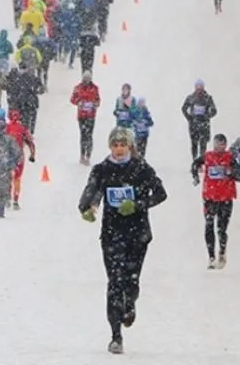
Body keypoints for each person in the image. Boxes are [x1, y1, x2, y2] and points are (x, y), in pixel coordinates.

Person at [78, 126, 168, 354]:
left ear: (130, 146)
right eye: (115, 145)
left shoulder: (141, 168)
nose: (118, 149)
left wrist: (137, 204)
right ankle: (116, 335)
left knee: (131, 281)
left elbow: (160, 194)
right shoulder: (102, 169)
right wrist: (87, 208)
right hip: (111, 233)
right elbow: (91, 191)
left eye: (122, 145)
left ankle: (130, 303)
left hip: (137, 233)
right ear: (110, 147)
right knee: (114, 283)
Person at [191, 134, 236, 269]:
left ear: (226, 145)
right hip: (210, 197)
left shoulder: (230, 157)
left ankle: (222, 250)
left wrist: (231, 173)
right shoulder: (208, 156)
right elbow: (195, 164)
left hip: (226, 198)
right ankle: (211, 257)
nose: (219, 147)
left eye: (222, 144)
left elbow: (239, 173)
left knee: (222, 229)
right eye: (217, 144)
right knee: (209, 225)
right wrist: (196, 176)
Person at [3, 109, 36, 209]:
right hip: (19, 155)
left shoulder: (6, 128)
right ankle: (15, 201)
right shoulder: (23, 129)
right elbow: (30, 143)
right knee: (17, 178)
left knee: (7, 177)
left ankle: (7, 198)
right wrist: (32, 155)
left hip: (8, 155)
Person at [180, 79, 217, 159]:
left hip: (204, 125)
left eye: (201, 86)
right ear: (195, 87)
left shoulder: (208, 98)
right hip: (194, 125)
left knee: (203, 144)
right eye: (197, 86)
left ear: (203, 87)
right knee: (194, 144)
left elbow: (214, 110)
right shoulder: (190, 97)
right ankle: (194, 160)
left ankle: (201, 161)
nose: (199, 88)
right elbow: (183, 108)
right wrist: (189, 118)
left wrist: (207, 116)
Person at [70, 71, 100, 165]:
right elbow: (72, 99)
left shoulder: (95, 88)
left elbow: (98, 100)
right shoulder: (78, 88)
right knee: (83, 135)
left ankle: (88, 156)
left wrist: (95, 104)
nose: (86, 80)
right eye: (84, 79)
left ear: (90, 79)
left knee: (89, 136)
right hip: (81, 116)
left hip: (91, 116)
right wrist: (79, 102)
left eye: (88, 79)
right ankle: (82, 155)